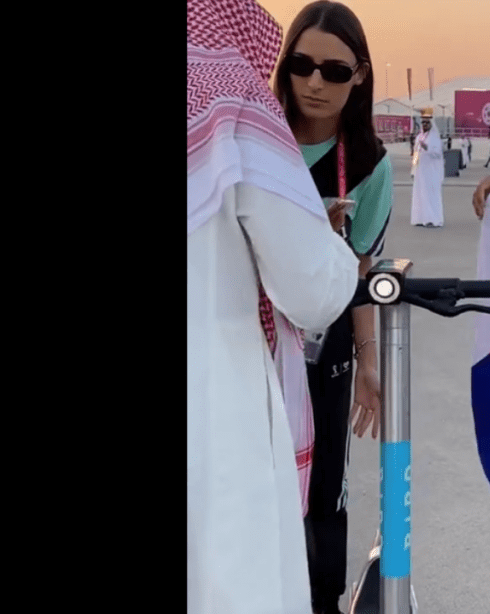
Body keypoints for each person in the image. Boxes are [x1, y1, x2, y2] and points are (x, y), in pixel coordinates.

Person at [187, 1, 361, 613]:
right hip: (213, 403)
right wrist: (333, 245)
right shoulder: (226, 94)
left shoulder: (363, 154)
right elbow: (312, 288)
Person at [273, 2, 391, 612]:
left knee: (323, 492)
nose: (315, 83)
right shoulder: (255, 138)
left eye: (335, 71)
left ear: (361, 76)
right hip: (250, 338)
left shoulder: (369, 164)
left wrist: (369, 360)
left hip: (327, 349)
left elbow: (363, 275)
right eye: (302, 65)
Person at [411, 109, 445, 227]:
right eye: (423, 123)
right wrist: (413, 168)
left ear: (431, 124)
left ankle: (433, 219)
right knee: (420, 194)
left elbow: (438, 154)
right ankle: (420, 218)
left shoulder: (435, 138)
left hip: (431, 172)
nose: (425, 125)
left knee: (431, 195)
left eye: (427, 123)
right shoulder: (419, 137)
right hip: (420, 171)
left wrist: (428, 148)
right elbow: (416, 153)